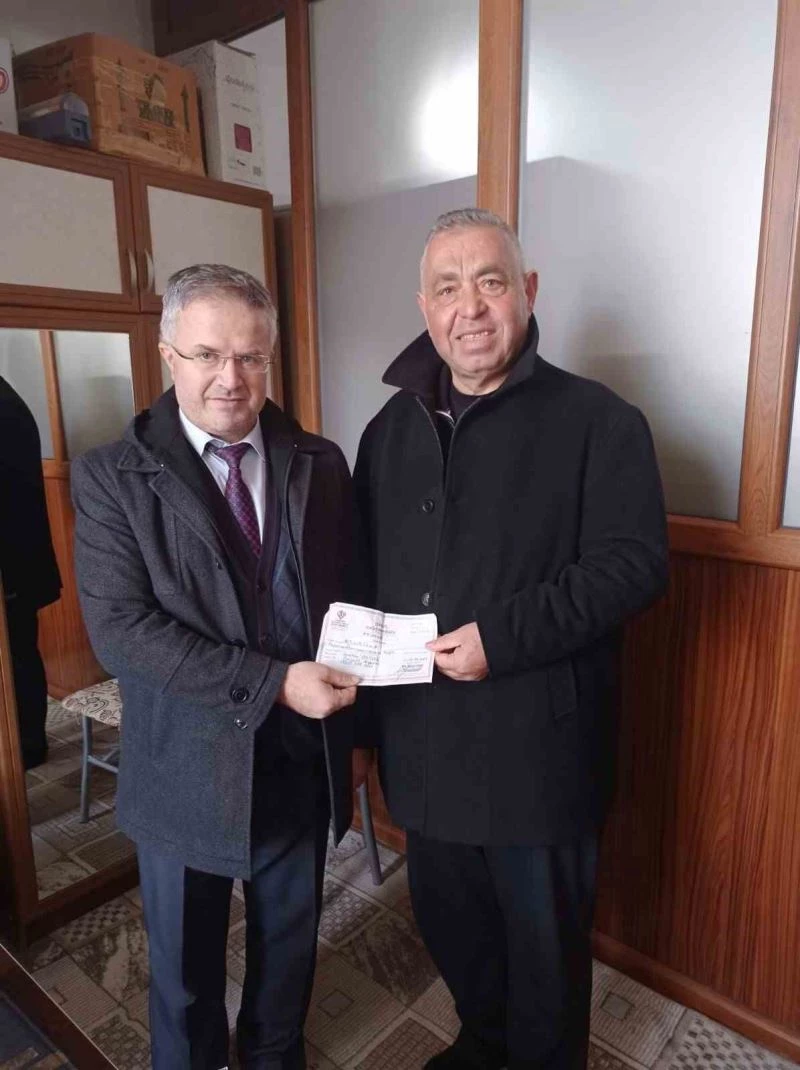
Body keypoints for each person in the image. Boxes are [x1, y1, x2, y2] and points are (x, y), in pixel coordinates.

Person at [352, 209, 669, 1070]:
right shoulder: (387, 431)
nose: (471, 307)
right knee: (454, 931)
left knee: (545, 959)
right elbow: (365, 588)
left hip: (540, 752)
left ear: (526, 291)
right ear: (424, 308)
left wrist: (502, 636)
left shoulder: (600, 420)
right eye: (448, 288)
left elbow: (634, 566)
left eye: (491, 282)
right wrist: (361, 734)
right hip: (423, 748)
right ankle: (480, 1046)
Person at [72, 264, 359, 1070]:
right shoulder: (112, 476)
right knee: (185, 980)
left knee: (287, 959)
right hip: (184, 767)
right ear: (168, 354)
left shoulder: (320, 461)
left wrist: (361, 728)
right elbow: (123, 634)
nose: (231, 378)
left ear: (270, 358)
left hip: (297, 762)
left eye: (251, 357)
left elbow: (349, 599)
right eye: (206, 355)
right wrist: (275, 683)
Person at [0, 374, 62, 769]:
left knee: (18, 655)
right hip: (21, 559)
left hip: (13, 563)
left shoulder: (5, 406)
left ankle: (27, 746)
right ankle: (27, 743)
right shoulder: (9, 396)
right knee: (21, 652)